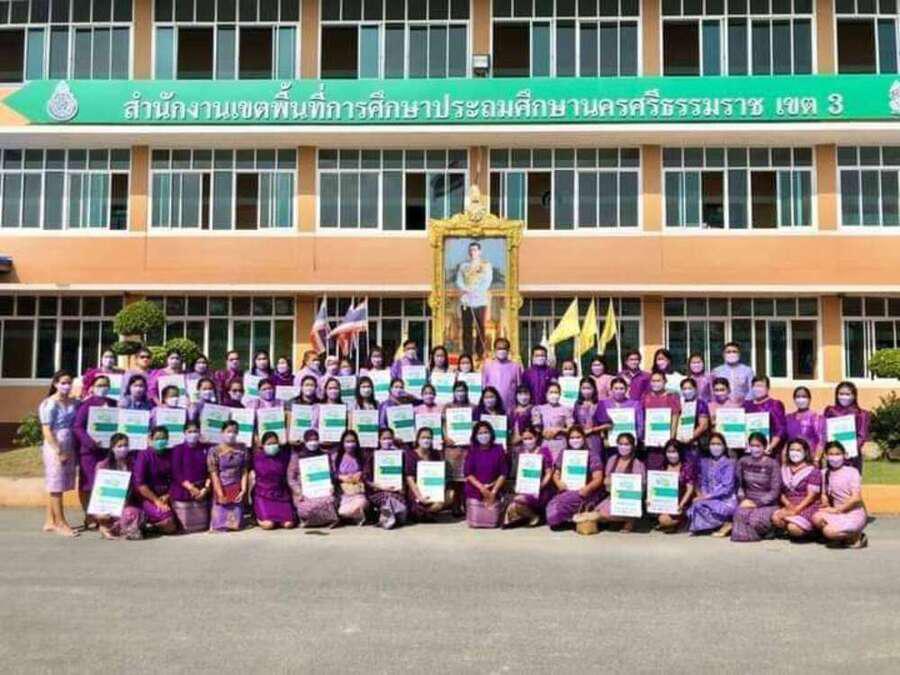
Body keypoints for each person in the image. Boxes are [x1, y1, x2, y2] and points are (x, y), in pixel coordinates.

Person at [72, 375, 118, 527]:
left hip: (107, 451)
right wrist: (90, 442)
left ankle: (105, 516)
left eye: (106, 385)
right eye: (99, 385)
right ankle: (89, 516)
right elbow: (78, 427)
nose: (103, 388)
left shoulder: (114, 403)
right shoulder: (86, 405)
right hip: (90, 452)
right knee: (88, 485)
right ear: (92, 387)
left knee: (105, 484)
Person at [38, 370, 79, 537]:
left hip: (70, 443)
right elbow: (46, 430)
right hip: (55, 445)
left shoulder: (74, 401)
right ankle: (60, 523)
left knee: (59, 483)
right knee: (56, 484)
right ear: (55, 384)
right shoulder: (49, 404)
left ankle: (50, 520)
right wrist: (58, 450)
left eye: (69, 383)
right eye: (63, 383)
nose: (67, 386)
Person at [545, 426, 605, 530]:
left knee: (559, 506)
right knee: (552, 506)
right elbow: (556, 473)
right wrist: (558, 482)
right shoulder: (564, 453)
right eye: (572, 438)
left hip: (585, 491)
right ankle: (569, 519)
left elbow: (598, 478)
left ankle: (574, 519)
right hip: (566, 489)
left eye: (578, 437)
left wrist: (587, 489)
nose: (575, 440)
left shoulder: (591, 454)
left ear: (584, 438)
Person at [812, 441, 868, 549]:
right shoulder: (824, 473)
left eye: (837, 454)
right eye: (831, 454)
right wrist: (824, 501)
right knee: (816, 518)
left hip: (853, 512)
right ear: (826, 456)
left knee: (829, 532)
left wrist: (837, 510)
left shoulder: (852, 472)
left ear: (844, 455)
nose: (834, 457)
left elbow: (856, 498)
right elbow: (824, 493)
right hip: (837, 513)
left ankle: (856, 536)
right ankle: (841, 537)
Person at [731, 432, 782, 542]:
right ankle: (750, 534)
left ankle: (770, 530)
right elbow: (739, 485)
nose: (755, 449)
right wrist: (743, 500)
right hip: (748, 501)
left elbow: (775, 491)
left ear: (765, 446)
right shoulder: (743, 461)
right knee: (739, 514)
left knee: (756, 520)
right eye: (752, 445)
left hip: (768, 504)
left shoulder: (773, 464)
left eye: (758, 446)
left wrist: (757, 503)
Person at [503, 426, 555, 527]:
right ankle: (529, 517)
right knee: (512, 502)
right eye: (525, 439)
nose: (528, 441)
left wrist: (540, 486)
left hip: (541, 489)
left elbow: (549, 472)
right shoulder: (520, 452)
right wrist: (519, 486)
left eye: (530, 438)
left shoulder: (544, 451)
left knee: (517, 501)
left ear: (536, 437)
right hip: (525, 487)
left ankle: (534, 517)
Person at [94, 433, 143, 540]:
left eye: (126, 445)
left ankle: (117, 529)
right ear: (112, 448)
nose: (123, 448)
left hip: (129, 503)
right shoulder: (103, 465)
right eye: (119, 446)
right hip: (109, 505)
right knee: (105, 516)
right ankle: (106, 527)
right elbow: (99, 491)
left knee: (131, 513)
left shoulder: (133, 464)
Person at [687, 432, 737, 536]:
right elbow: (704, 482)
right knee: (695, 505)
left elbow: (727, 487)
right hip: (708, 498)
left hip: (725, 500)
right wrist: (703, 495)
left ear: (724, 446)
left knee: (699, 505)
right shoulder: (705, 462)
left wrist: (707, 497)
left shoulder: (729, 463)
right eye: (713, 444)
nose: (715, 447)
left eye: (718, 444)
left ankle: (726, 522)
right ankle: (717, 525)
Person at [287, 430, 340, 528]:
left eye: (315, 439)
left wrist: (331, 485)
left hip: (322, 490)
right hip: (304, 492)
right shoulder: (297, 456)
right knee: (305, 508)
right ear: (305, 441)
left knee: (330, 501)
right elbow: (291, 478)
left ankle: (324, 520)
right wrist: (299, 491)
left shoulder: (325, 455)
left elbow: (331, 473)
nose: (313, 442)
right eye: (310, 440)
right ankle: (314, 520)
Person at [595, 432, 646, 532]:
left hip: (630, 500)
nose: (623, 447)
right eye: (621, 444)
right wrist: (607, 482)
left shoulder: (638, 464)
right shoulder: (612, 460)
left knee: (603, 514)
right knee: (597, 512)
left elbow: (642, 487)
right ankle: (619, 520)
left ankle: (630, 519)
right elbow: (606, 481)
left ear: (632, 446)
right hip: (614, 496)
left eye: (627, 444)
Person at [771, 438, 821, 540]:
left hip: (806, 505)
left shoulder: (812, 470)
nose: (795, 453)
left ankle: (811, 533)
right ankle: (793, 530)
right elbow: (780, 491)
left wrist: (797, 509)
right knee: (775, 518)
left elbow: (811, 496)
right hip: (789, 504)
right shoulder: (783, 469)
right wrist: (788, 504)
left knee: (793, 528)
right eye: (792, 450)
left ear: (805, 452)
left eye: (798, 450)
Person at [132, 426, 178, 535]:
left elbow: (176, 478)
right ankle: (146, 525)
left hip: (167, 496)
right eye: (157, 438)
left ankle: (150, 526)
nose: (161, 441)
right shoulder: (144, 455)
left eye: (163, 438)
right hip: (148, 497)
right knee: (168, 522)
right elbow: (140, 484)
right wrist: (157, 501)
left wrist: (168, 495)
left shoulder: (170, 454)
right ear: (151, 439)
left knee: (177, 523)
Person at [463, 421, 508, 528]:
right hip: (475, 488)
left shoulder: (498, 449)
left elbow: (503, 473)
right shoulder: (472, 450)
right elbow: (468, 473)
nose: (483, 435)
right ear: (475, 436)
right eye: (480, 433)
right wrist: (482, 488)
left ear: (491, 433)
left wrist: (493, 492)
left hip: (494, 487)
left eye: (486, 432)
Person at [207, 420, 250, 532]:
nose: (232, 434)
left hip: (236, 489)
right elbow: (214, 474)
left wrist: (243, 490)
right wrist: (220, 494)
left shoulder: (242, 448)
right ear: (222, 432)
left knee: (236, 525)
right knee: (220, 525)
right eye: (229, 431)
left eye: (235, 432)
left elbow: (244, 470)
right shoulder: (214, 451)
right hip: (221, 488)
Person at [169, 421, 210, 533]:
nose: (193, 434)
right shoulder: (177, 449)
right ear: (184, 433)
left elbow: (210, 471)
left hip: (202, 489)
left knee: (202, 525)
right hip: (183, 488)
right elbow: (176, 472)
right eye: (190, 431)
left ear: (200, 432)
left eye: (195, 431)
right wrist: (191, 488)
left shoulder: (206, 448)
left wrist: (205, 489)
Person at [251, 431, 296, 530]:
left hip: (281, 494)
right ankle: (256, 516)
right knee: (268, 525)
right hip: (263, 494)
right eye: (269, 444)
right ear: (263, 445)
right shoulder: (256, 458)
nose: (272, 446)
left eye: (275, 443)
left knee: (288, 524)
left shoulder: (284, 457)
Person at [443, 380, 476, 515]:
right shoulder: (447, 407)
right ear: (453, 392)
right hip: (452, 448)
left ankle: (467, 504)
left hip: (468, 448)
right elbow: (443, 425)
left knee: (467, 477)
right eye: (458, 390)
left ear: (467, 392)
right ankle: (455, 504)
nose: (460, 393)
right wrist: (445, 437)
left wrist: (472, 438)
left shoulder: (473, 407)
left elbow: (476, 425)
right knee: (454, 479)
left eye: (463, 390)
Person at [455, 240, 493, 357]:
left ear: (479, 252)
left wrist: (475, 291)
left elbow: (487, 281)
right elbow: (459, 281)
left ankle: (480, 352)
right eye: (471, 250)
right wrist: (466, 289)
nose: (473, 252)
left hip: (480, 300)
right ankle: (467, 352)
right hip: (466, 300)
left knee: (480, 326)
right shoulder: (464, 266)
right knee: (467, 327)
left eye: (475, 250)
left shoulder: (486, 265)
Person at [823, 381, 871, 471]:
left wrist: (850, 450)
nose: (844, 396)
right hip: (833, 455)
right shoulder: (830, 411)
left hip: (852, 457)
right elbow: (824, 431)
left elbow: (862, 435)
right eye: (841, 394)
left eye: (847, 394)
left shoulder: (861, 414)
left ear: (854, 395)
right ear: (836, 395)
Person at [366, 428, 408, 529]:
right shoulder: (373, 456)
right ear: (379, 440)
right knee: (387, 497)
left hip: (396, 491)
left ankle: (387, 518)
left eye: (389, 438)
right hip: (378, 492)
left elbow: (405, 475)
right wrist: (380, 486)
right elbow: (366, 478)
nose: (387, 441)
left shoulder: (400, 455)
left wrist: (402, 487)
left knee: (391, 498)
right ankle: (389, 521)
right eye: (384, 438)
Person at [404, 427, 448, 522]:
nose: (426, 440)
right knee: (417, 507)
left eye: (429, 438)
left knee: (446, 498)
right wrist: (419, 496)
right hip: (416, 491)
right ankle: (423, 513)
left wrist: (439, 492)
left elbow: (440, 474)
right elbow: (410, 478)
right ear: (418, 439)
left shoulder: (435, 454)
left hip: (433, 489)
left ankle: (426, 513)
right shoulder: (411, 454)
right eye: (423, 437)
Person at [640, 371, 681, 471]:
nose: (655, 383)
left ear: (665, 381)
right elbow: (643, 417)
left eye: (658, 381)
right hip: (651, 442)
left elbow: (675, 418)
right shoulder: (646, 397)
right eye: (653, 381)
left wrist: (671, 439)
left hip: (667, 441)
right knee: (652, 468)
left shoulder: (671, 397)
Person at [656, 440, 695, 533]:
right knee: (662, 518)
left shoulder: (686, 467)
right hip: (666, 502)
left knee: (664, 520)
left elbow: (690, 489)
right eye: (669, 452)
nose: (671, 454)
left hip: (682, 502)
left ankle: (682, 521)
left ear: (680, 452)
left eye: (674, 451)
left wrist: (681, 505)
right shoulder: (663, 466)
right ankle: (673, 524)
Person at [742, 376, 786, 457]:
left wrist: (771, 446)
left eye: (761, 386)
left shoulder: (775, 404)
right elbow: (741, 426)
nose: (758, 389)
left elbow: (780, 429)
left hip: (768, 451)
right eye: (755, 386)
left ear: (768, 388)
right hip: (749, 450)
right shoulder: (746, 405)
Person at [532, 381, 574, 464]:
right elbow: (536, 428)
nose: (554, 395)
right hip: (545, 442)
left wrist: (559, 429)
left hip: (560, 443)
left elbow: (571, 429)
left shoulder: (566, 409)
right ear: (546, 394)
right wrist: (541, 431)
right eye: (551, 392)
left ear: (560, 394)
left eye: (556, 392)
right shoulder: (539, 409)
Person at [604, 377, 644, 463]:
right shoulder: (604, 404)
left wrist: (636, 438)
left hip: (629, 445)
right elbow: (600, 424)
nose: (618, 391)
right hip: (611, 445)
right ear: (611, 390)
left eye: (621, 388)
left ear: (626, 389)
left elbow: (640, 424)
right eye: (616, 388)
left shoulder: (635, 404)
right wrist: (604, 438)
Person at [573, 377, 612, 463]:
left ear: (594, 389)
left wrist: (592, 430)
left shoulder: (599, 404)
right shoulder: (577, 404)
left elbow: (608, 424)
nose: (586, 391)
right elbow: (575, 422)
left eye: (589, 388)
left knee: (596, 462)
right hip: (580, 439)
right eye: (583, 388)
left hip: (595, 439)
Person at [785, 386, 825, 463]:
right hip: (792, 457)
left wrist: (816, 459)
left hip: (810, 458)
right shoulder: (788, 417)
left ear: (809, 399)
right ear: (794, 399)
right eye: (798, 397)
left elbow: (821, 440)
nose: (801, 399)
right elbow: (786, 439)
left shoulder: (816, 417)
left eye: (804, 396)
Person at [481, 337, 522, 412]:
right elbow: (483, 386)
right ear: (494, 350)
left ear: (508, 350)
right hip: (492, 408)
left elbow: (519, 388)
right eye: (499, 348)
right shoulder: (488, 366)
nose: (502, 350)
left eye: (504, 348)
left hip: (510, 407)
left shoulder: (515, 366)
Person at [678, 377, 710, 470]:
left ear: (695, 389)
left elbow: (703, 425)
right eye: (684, 388)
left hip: (696, 445)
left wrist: (690, 437)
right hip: (681, 443)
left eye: (689, 388)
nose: (687, 391)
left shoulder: (701, 404)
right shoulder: (680, 404)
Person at [336, 430, 368, 525]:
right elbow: (333, 473)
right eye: (347, 441)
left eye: (353, 441)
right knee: (342, 511)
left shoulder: (362, 456)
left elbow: (367, 471)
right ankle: (355, 517)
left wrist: (360, 474)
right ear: (342, 443)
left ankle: (356, 516)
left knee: (362, 503)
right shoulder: (337, 457)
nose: (350, 444)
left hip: (358, 491)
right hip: (344, 492)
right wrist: (340, 477)